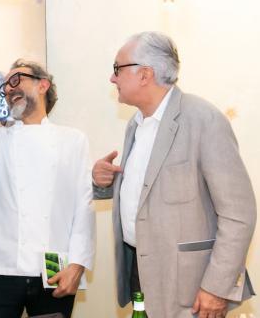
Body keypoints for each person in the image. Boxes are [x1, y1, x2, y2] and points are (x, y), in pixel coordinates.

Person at [92, 31, 256, 317]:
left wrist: (217, 287)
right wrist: (105, 182)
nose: (112, 78)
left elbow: (239, 214)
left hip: (190, 288)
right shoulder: (136, 124)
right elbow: (152, 188)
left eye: (117, 68)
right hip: (142, 275)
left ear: (145, 74)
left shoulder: (204, 119)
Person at [0, 54, 95, 318]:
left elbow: (83, 207)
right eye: (5, 86)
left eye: (16, 79)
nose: (8, 89)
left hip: (53, 267)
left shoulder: (73, 140)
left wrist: (78, 264)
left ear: (43, 85)